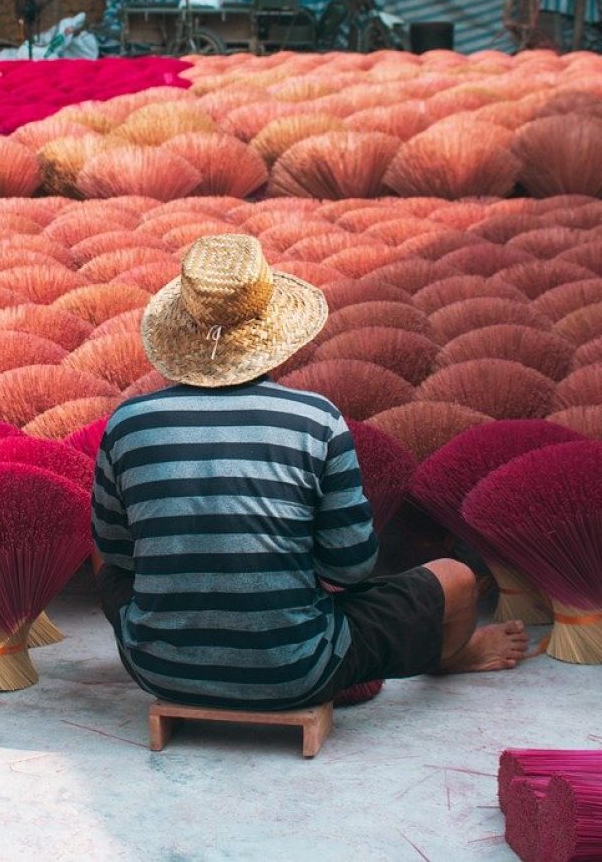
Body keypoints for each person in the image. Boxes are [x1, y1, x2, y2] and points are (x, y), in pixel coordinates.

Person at [91, 233, 529, 710]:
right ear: (275, 330)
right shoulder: (315, 419)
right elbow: (351, 567)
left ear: (181, 329)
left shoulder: (128, 422)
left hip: (159, 672)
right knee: (455, 576)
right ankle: (450, 654)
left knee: (101, 555)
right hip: (298, 672)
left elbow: (117, 552)